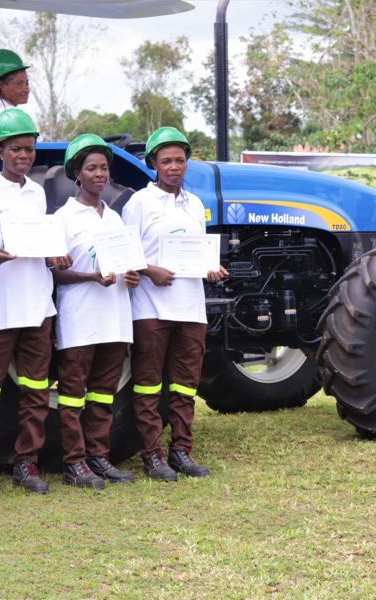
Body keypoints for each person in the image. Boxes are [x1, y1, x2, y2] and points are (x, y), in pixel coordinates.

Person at [0, 109, 70, 498]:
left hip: (37, 307)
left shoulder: (37, 192)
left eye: (29, 148)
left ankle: (27, 463)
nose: (24, 155)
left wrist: (54, 255)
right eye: (15, 149)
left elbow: (39, 243)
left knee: (35, 392)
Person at [122, 127, 228, 481]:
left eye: (180, 160)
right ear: (153, 163)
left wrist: (211, 269)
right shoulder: (139, 203)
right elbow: (125, 253)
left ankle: (181, 451)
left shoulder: (195, 204)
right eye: (166, 160)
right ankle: (152, 455)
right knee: (148, 385)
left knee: (184, 385)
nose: (174, 167)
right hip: (151, 309)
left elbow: (199, 253)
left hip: (191, 308)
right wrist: (149, 270)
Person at [52, 134, 139, 488]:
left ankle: (99, 458)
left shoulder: (115, 219)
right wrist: (90, 277)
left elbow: (128, 266)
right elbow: (54, 274)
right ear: (77, 173)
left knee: (104, 393)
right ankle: (74, 463)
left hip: (114, 318)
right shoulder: (63, 218)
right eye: (91, 168)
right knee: (73, 395)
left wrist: (132, 276)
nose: (100, 174)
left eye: (104, 168)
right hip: (80, 318)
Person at [0, 49, 32, 132]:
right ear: (1, 85)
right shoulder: (13, 116)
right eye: (19, 84)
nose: (26, 90)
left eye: (26, 83)